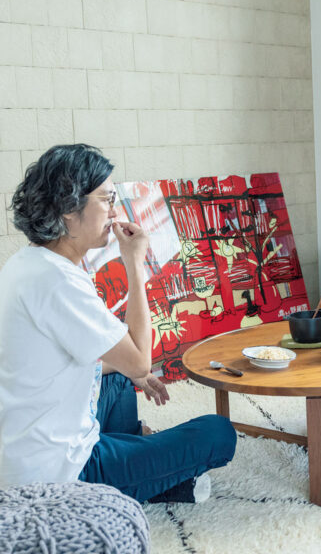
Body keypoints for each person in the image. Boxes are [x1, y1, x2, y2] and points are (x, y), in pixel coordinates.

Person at [0, 144, 237, 502]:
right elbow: (141, 357)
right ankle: (137, 482)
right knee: (218, 433)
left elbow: (92, 359)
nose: (115, 211)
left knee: (121, 383)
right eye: (106, 199)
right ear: (68, 208)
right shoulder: (59, 282)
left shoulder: (29, 262)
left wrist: (134, 372)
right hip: (61, 473)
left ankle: (139, 463)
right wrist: (134, 263)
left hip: (26, 451)